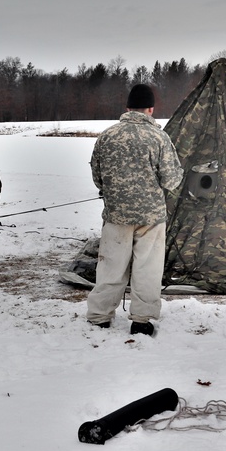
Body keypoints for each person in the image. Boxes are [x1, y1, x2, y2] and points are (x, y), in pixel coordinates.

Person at [86, 84, 183, 336]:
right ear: (151, 109)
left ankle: (99, 317)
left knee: (110, 266)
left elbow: (97, 177)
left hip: (116, 216)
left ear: (127, 107)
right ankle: (142, 321)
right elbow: (172, 181)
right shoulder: (159, 138)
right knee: (147, 268)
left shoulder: (107, 136)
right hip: (151, 217)